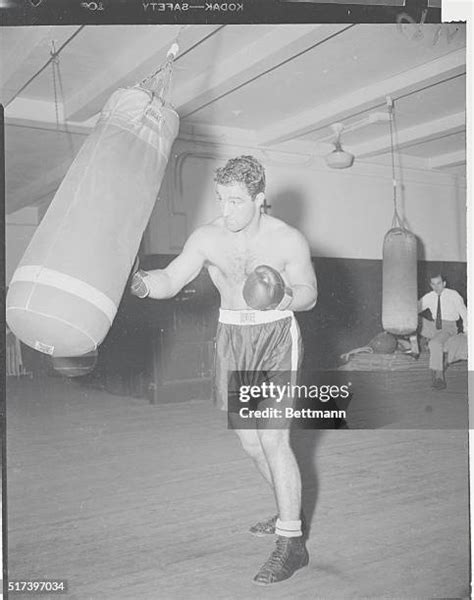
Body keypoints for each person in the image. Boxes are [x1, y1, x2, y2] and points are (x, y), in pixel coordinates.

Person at [131, 155, 317, 585]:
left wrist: (283, 297)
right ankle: (288, 509)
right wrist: (142, 283)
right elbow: (171, 279)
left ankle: (292, 543)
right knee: (250, 443)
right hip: (233, 337)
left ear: (259, 199)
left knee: (273, 438)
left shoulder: (287, 239)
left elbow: (309, 293)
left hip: (274, 338)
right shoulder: (207, 237)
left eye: (236, 201)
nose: (226, 209)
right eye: (221, 199)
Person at [418, 273, 467, 390]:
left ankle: (439, 377)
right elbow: (415, 308)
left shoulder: (453, 295)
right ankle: (414, 346)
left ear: (444, 283)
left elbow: (465, 314)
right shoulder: (429, 296)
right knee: (412, 318)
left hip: (448, 327)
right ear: (430, 285)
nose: (436, 287)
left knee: (435, 343)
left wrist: (467, 332)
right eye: (433, 284)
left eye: (439, 284)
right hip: (434, 326)